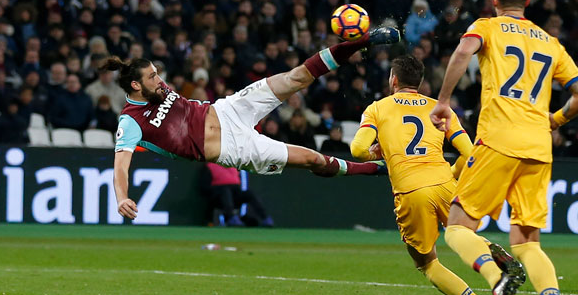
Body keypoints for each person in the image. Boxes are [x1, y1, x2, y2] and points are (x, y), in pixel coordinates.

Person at [429, 0, 578, 295]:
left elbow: (462, 52)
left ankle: (496, 277)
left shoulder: (487, 26)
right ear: (529, 2)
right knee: (527, 242)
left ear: (494, 0)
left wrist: (443, 101)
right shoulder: (552, 42)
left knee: (457, 225)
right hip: (539, 146)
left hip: (499, 138)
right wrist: (554, 121)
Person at [111, 27, 401, 220]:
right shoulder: (131, 121)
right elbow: (121, 167)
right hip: (233, 148)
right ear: (135, 85)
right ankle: (377, 169)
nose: (160, 80)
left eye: (157, 73)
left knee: (296, 77)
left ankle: (365, 40)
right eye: (152, 77)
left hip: (228, 110)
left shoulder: (157, 89)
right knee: (312, 158)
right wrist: (122, 197)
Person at [351, 55, 520, 295]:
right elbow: (470, 152)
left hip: (410, 190)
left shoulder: (377, 109)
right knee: (462, 235)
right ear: (420, 82)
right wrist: (451, 173)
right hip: (444, 184)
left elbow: (357, 151)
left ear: (393, 80)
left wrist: (375, 150)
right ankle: (497, 260)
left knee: (428, 264)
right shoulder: (440, 108)